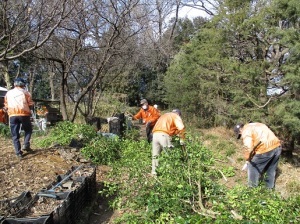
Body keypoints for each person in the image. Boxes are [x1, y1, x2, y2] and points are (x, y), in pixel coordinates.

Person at [234, 122, 282, 189]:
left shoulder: (246, 131)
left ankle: (252, 190)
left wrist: (248, 160)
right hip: (277, 147)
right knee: (270, 170)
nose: (241, 136)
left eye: (240, 134)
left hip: (265, 149)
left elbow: (248, 147)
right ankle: (269, 190)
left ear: (240, 130)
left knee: (252, 167)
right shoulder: (257, 124)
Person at [4, 78, 34, 159]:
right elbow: (30, 103)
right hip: (24, 114)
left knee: (15, 134)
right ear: (22, 84)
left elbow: (6, 105)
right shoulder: (26, 92)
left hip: (12, 115)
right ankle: (26, 144)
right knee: (28, 130)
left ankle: (18, 153)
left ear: (14, 84)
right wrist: (30, 109)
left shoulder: (8, 93)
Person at [151, 109, 185, 175]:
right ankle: (170, 174)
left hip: (155, 135)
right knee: (169, 155)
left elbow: (171, 129)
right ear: (178, 114)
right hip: (163, 135)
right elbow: (181, 128)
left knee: (155, 155)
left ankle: (154, 173)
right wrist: (182, 140)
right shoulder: (175, 116)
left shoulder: (164, 115)